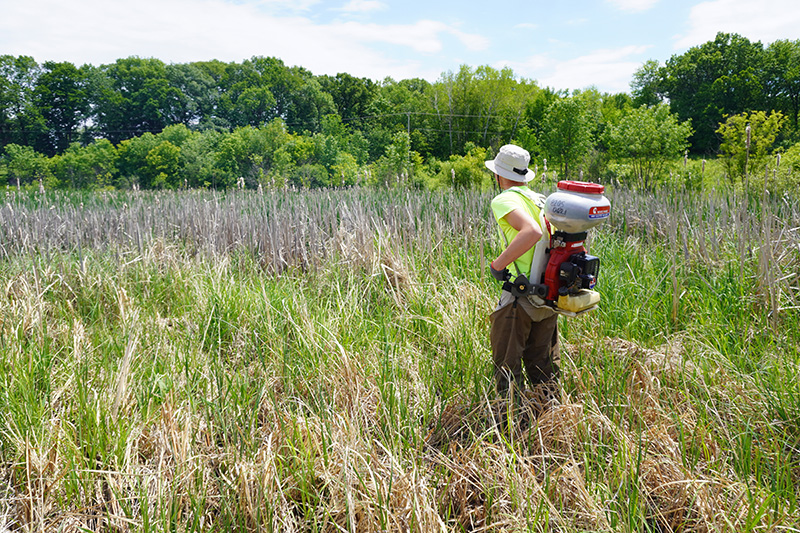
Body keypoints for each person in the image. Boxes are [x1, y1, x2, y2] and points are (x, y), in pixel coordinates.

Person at [485, 144, 560, 405]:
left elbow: (531, 232)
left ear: (499, 175)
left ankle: (510, 428)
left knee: (507, 369)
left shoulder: (505, 199)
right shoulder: (542, 200)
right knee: (544, 369)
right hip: (548, 297)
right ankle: (552, 422)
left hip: (521, 296)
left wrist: (498, 264)